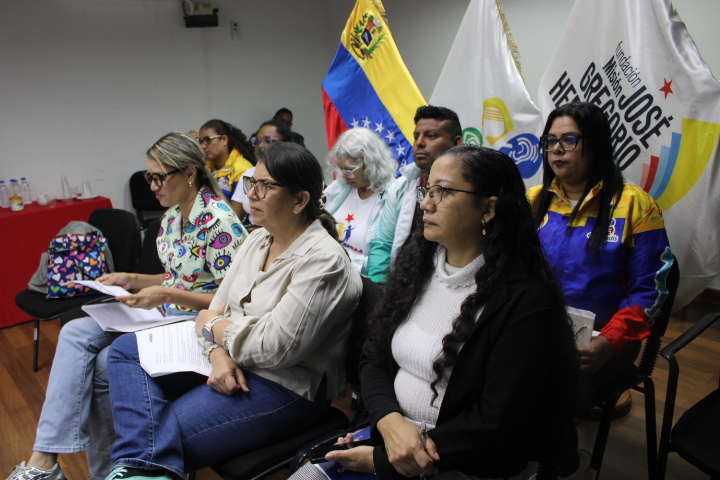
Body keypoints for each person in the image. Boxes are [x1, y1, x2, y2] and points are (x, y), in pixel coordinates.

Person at [291, 145, 579, 480]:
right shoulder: (418, 267)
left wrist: (385, 460)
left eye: (443, 191)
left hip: (460, 461)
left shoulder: (525, 301)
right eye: (427, 190)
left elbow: (494, 422)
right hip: (391, 436)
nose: (426, 203)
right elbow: (373, 357)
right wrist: (389, 422)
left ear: (488, 208)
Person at [104, 142, 363, 480]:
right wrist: (216, 354)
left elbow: (274, 347)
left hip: (285, 385)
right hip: (234, 359)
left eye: (265, 186)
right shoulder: (258, 239)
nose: (251, 194)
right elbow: (215, 309)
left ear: (300, 200)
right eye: (252, 182)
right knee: (124, 351)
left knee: (152, 437)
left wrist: (214, 328)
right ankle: (140, 469)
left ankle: (138, 469)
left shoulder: (324, 261)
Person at [5, 132, 246, 480]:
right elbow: (177, 277)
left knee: (104, 364)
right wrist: (132, 278)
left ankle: (103, 472)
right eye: (149, 177)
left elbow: (232, 300)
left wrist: (166, 295)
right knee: (74, 331)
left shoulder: (219, 221)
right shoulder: (172, 217)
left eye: (159, 177)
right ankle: (44, 457)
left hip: (198, 324)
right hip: (167, 311)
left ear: (190, 173)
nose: (152, 187)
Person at [527, 102, 674, 477]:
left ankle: (562, 466)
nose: (556, 149)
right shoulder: (534, 200)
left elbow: (650, 290)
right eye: (550, 141)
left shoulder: (634, 204)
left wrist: (609, 342)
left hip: (604, 342)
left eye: (569, 140)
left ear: (595, 144)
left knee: (542, 387)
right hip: (540, 330)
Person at [367, 105, 462, 283]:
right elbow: (383, 243)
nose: (419, 143)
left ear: (456, 143)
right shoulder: (401, 185)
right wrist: (379, 288)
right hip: (401, 283)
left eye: (431, 136)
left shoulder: (468, 190)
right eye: (416, 136)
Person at [325, 127, 397, 276]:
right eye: (341, 169)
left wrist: (342, 261)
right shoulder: (340, 187)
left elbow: (385, 258)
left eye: (350, 170)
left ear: (371, 163)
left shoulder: (392, 196)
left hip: (362, 279)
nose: (344, 176)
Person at [230, 119, 292, 224]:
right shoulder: (249, 173)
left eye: (268, 140)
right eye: (257, 141)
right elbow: (234, 218)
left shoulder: (294, 174)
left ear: (286, 144)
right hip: (252, 231)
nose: (260, 145)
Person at [196, 119, 255, 202]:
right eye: (201, 141)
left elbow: (241, 207)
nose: (203, 146)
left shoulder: (243, 169)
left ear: (224, 139)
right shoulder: (206, 164)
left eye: (208, 140)